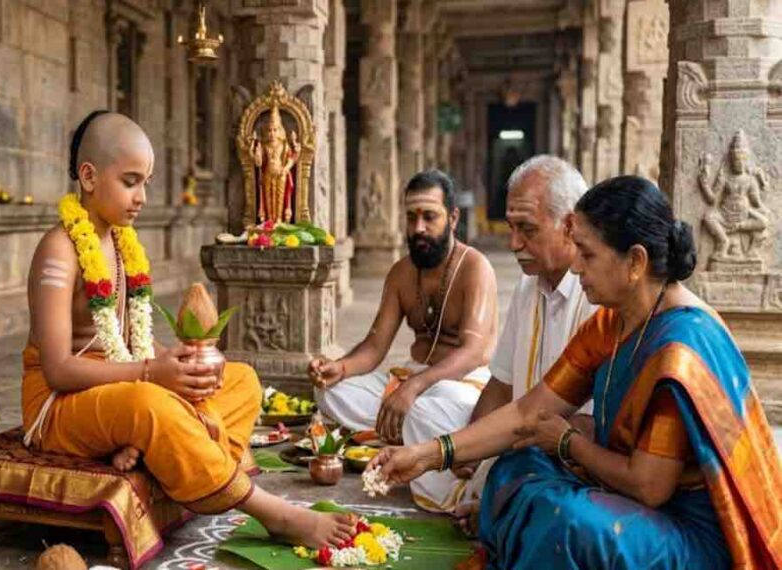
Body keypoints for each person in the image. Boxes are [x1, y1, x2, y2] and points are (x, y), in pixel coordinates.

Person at [369, 175, 782, 569]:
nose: (577, 267)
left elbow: (649, 487)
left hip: (684, 532)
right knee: (516, 465)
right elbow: (527, 413)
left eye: (587, 254)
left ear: (635, 262)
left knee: (567, 522)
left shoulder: (680, 350)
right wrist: (426, 455)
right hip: (624, 494)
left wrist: (569, 443)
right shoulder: (612, 322)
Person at [23, 110, 357, 548]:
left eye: (146, 182)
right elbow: (59, 371)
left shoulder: (122, 243)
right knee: (149, 403)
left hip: (118, 386)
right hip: (60, 405)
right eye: (130, 181)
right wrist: (150, 373)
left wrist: (174, 363)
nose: (142, 195)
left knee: (240, 380)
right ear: (88, 176)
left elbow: (129, 341)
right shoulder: (59, 250)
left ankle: (166, 451)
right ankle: (271, 512)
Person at [309, 169, 499, 513]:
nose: (419, 228)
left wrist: (413, 389)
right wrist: (339, 367)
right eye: (412, 217)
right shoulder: (401, 272)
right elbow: (374, 346)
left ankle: (436, 471)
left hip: (461, 385)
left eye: (430, 216)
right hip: (411, 379)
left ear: (453, 218)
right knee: (330, 392)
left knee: (423, 410)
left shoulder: (475, 267)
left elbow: (473, 352)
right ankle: (410, 434)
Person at [451, 156, 598, 526]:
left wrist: (479, 451)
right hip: (516, 436)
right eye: (511, 227)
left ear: (569, 226)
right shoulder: (526, 287)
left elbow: (587, 429)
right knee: (433, 430)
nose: (514, 242)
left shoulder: (598, 299)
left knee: (534, 496)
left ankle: (500, 502)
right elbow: (501, 384)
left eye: (527, 229)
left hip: (566, 453)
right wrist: (466, 449)